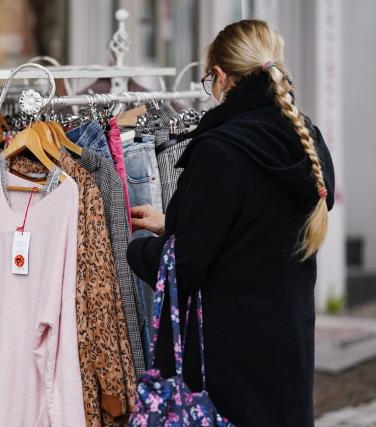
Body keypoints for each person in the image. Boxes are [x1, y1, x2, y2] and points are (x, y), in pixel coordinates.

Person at [127, 20, 335, 426]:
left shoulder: (221, 150)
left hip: (228, 357)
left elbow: (185, 265)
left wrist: (137, 251)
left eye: (209, 79)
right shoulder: (305, 136)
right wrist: (172, 224)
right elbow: (257, 226)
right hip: (288, 344)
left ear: (220, 77)